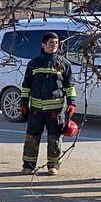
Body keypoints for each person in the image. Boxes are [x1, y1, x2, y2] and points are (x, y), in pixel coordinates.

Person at [19, 33, 77, 175]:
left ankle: (53, 166)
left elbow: (69, 85)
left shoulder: (64, 64)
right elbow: (26, 85)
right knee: (32, 137)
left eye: (56, 42)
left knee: (54, 138)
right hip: (36, 110)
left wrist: (72, 103)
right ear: (43, 45)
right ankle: (28, 166)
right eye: (51, 42)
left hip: (56, 110)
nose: (54, 45)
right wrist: (24, 103)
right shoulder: (33, 63)